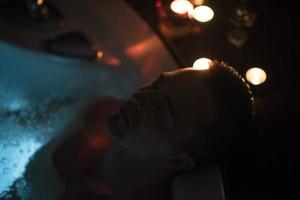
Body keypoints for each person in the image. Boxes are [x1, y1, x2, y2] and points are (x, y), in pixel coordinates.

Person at [53, 61, 254, 200]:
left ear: (177, 160)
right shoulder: (102, 111)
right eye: (157, 85)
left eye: (162, 109)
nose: (141, 98)